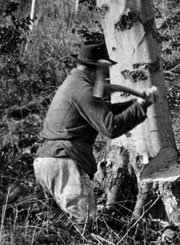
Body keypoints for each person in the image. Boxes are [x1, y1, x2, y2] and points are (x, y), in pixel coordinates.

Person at [33, 41, 158, 224]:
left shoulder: (76, 83)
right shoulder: (84, 89)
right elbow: (110, 127)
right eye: (105, 69)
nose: (106, 75)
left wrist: (136, 103)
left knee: (60, 228)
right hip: (63, 163)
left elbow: (104, 110)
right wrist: (140, 107)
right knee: (85, 223)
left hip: (48, 160)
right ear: (97, 68)